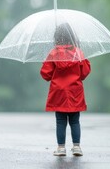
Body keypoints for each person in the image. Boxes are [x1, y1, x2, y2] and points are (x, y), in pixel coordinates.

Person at [40, 23, 91, 157]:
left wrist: (46, 64)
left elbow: (46, 75)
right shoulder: (78, 53)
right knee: (75, 121)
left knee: (60, 121)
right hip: (75, 92)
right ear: (72, 37)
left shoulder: (53, 53)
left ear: (56, 37)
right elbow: (85, 73)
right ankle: (77, 147)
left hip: (59, 92)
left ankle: (61, 148)